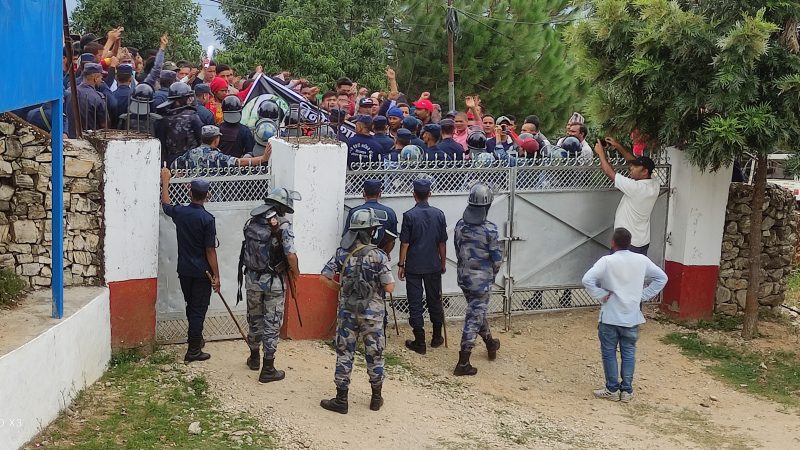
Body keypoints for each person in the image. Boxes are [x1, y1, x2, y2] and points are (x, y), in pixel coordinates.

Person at [320, 208, 396, 414]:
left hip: (347, 312)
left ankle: (341, 400)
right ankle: (376, 398)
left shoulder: (341, 253)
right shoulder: (379, 256)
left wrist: (342, 289)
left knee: (345, 353)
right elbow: (389, 287)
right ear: (371, 231)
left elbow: (323, 277)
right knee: (375, 354)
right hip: (373, 315)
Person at [582, 227, 667, 402]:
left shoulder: (607, 261)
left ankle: (612, 388)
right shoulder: (641, 260)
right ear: (630, 243)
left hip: (610, 315)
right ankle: (626, 390)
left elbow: (587, 280)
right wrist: (642, 296)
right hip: (631, 316)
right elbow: (661, 278)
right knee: (628, 353)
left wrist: (600, 294)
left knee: (609, 352)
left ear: (613, 243)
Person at [240, 188, 301, 382]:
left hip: (252, 279)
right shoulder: (283, 225)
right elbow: (290, 255)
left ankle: (254, 358)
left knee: (254, 319)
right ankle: (268, 369)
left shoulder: (252, 222)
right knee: (272, 323)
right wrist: (296, 272)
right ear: (282, 207)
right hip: (273, 282)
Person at [159, 169, 220, 362]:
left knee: (191, 306)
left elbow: (166, 205)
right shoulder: (207, 219)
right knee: (198, 309)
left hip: (184, 270)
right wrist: (216, 275)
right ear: (207, 196)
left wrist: (165, 180)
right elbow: (210, 250)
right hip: (203, 272)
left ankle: (196, 339)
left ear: (189, 193)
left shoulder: (182, 213)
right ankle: (193, 350)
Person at [453, 182, 503, 376]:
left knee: (476, 312)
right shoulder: (490, 229)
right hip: (481, 281)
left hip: (464, 277)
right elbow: (497, 259)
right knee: (473, 317)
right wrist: (490, 275)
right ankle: (463, 362)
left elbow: (458, 251)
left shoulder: (459, 225)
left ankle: (491, 343)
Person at [398, 178, 448, 354]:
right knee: (435, 299)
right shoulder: (439, 214)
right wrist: (442, 262)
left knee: (415, 302)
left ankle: (420, 341)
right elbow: (442, 243)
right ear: (429, 194)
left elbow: (405, 243)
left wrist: (401, 264)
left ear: (414, 195)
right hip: (433, 264)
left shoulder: (409, 215)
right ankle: (436, 337)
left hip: (414, 265)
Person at [595, 139, 659, 255]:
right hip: (642, 241)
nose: (631, 168)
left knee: (618, 272)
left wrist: (600, 153)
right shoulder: (654, 183)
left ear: (644, 172)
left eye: (635, 167)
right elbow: (632, 160)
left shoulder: (636, 188)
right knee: (637, 272)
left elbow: (609, 172)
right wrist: (618, 145)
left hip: (627, 244)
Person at [343, 180, 398, 255]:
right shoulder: (390, 213)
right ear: (380, 194)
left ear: (363, 193)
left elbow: (347, 237)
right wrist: (383, 255)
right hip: (379, 258)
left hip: (356, 256)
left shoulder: (355, 212)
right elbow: (391, 240)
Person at [171, 125, 266, 169]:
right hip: (213, 198)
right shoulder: (216, 157)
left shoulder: (191, 153)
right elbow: (240, 162)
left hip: (193, 196)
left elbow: (173, 165)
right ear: (216, 139)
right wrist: (263, 158)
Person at [155, 82, 203, 166]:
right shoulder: (192, 117)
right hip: (190, 161)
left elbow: (161, 144)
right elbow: (201, 138)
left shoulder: (164, 118)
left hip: (171, 162)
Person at [73, 63, 107, 132]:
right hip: (90, 137)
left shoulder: (70, 91)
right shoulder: (97, 98)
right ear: (96, 78)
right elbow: (104, 125)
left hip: (71, 137)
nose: (102, 80)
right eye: (101, 77)